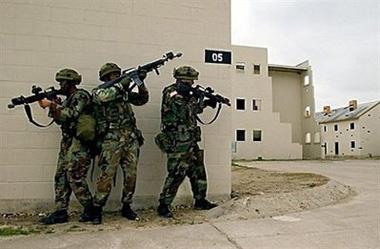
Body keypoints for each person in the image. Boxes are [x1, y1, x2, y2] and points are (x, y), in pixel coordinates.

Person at [156, 66, 218, 218]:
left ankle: (200, 200)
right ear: (179, 79)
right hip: (178, 141)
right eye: (188, 81)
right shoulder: (171, 92)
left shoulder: (187, 93)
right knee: (176, 173)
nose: (191, 84)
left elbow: (194, 110)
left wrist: (207, 102)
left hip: (190, 140)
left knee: (198, 171)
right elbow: (182, 110)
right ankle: (164, 205)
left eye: (192, 81)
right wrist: (196, 96)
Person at [91, 62, 148, 224]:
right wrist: (122, 84)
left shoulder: (124, 93)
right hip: (111, 140)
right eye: (112, 75)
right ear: (106, 77)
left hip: (130, 139)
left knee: (131, 175)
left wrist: (140, 82)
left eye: (118, 74)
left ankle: (127, 205)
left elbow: (142, 99)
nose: (116, 77)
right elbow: (103, 97)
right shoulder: (100, 91)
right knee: (106, 176)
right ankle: (97, 208)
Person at [38, 68, 95, 224]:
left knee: (75, 175)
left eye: (62, 82)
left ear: (70, 82)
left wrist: (52, 105)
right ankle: (60, 211)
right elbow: (61, 120)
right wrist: (53, 107)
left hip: (80, 142)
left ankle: (91, 209)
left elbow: (72, 114)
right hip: (68, 141)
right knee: (61, 176)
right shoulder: (68, 99)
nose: (60, 85)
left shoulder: (81, 95)